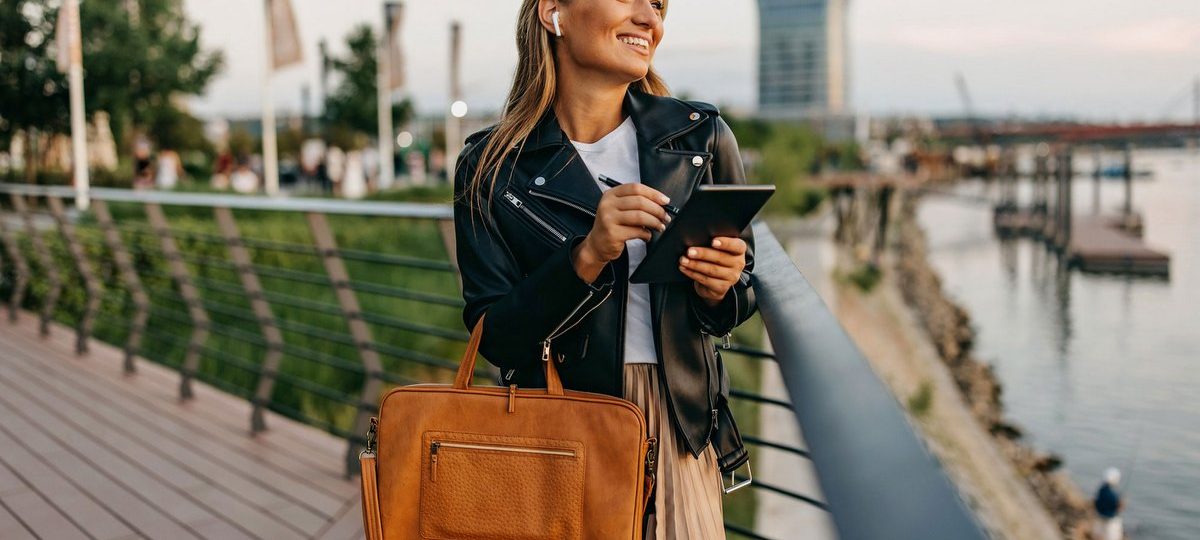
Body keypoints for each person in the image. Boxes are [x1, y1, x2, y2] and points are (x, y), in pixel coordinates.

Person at [452, 1, 754, 538]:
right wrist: (587, 255)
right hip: (558, 433)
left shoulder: (700, 139)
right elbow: (495, 336)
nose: (649, 18)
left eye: (658, 5)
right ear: (554, 13)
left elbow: (743, 290)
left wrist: (721, 287)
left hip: (677, 427)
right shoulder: (491, 168)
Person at [1093, 467, 1124, 540]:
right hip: (1110, 521)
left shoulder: (1101, 490)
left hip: (1099, 517)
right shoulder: (1113, 495)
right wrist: (1121, 504)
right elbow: (1118, 508)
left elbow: (1096, 502)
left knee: (1098, 536)